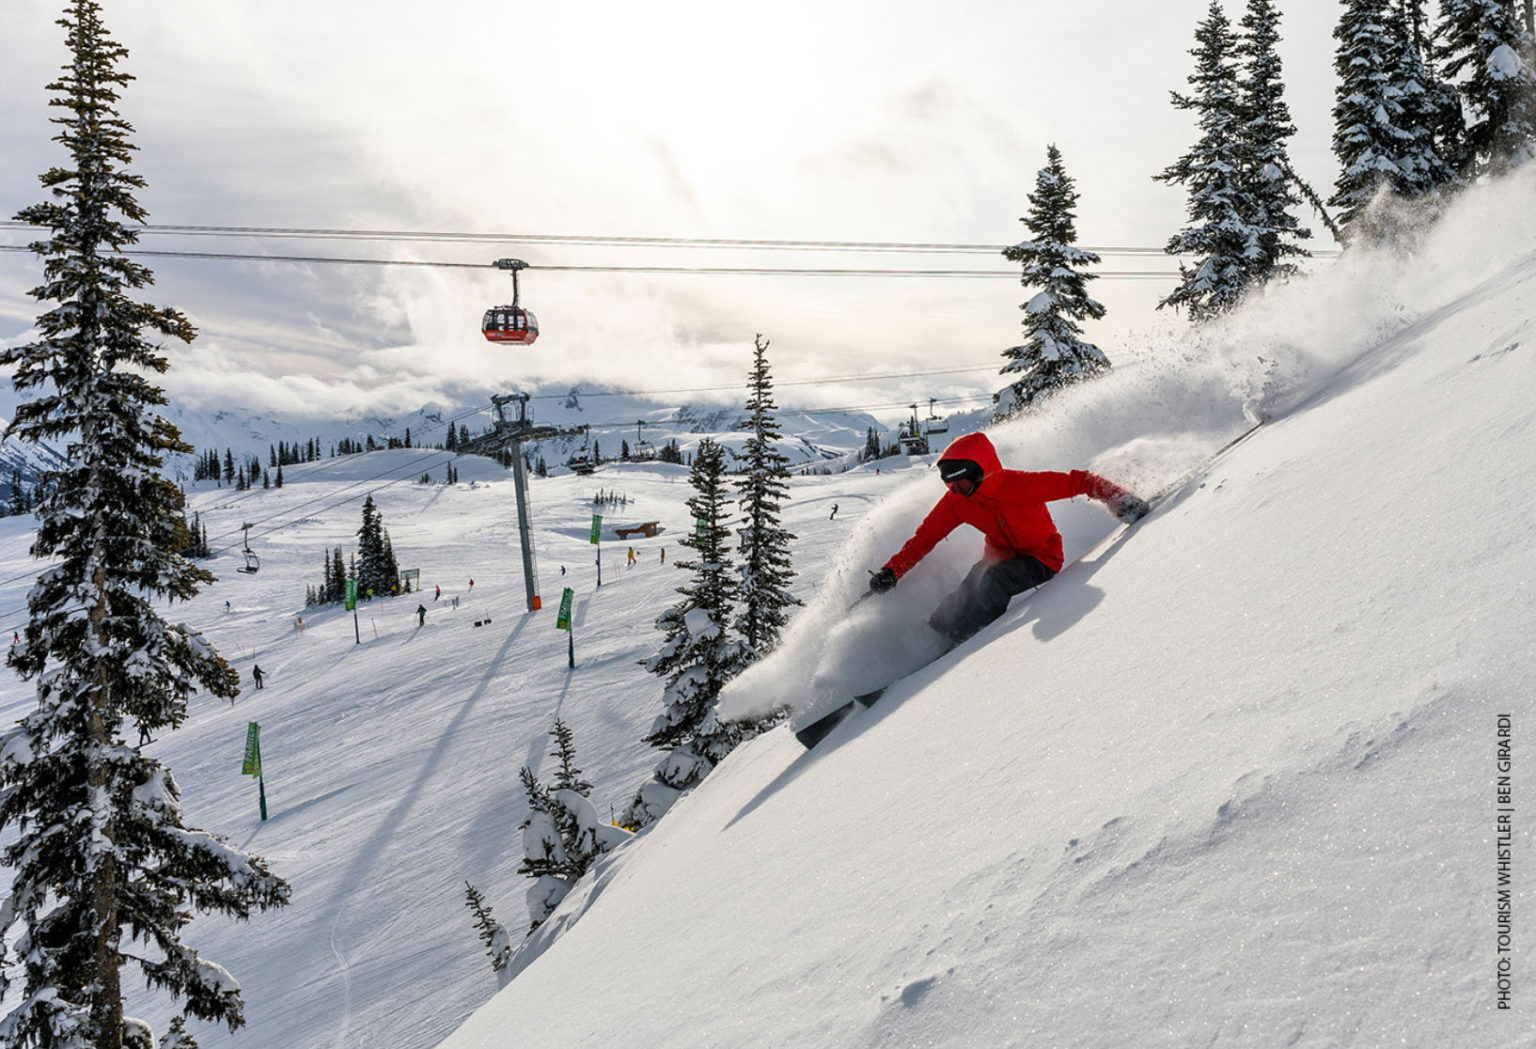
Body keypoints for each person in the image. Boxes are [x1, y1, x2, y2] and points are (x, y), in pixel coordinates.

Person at [868, 432, 1149, 646]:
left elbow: (1081, 481)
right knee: (966, 591)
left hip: (1041, 558)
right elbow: (924, 538)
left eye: (960, 483)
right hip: (999, 557)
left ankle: (967, 642)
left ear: (979, 472)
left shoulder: (1021, 486)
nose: (955, 489)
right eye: (949, 484)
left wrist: (1120, 499)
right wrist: (891, 572)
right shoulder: (957, 501)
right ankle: (934, 634)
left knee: (993, 581)